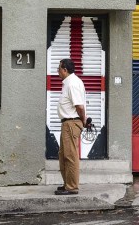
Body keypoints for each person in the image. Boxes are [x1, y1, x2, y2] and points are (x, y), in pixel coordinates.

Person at [55, 58, 86, 195]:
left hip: (71, 123)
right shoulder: (68, 83)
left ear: (65, 70)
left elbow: (79, 106)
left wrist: (83, 121)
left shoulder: (72, 84)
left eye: (59, 68)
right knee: (63, 155)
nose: (57, 71)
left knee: (70, 156)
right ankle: (67, 184)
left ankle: (72, 187)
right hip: (67, 123)